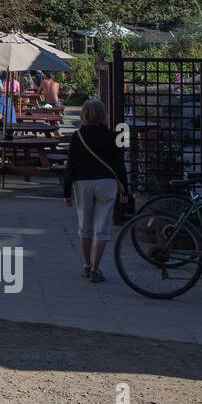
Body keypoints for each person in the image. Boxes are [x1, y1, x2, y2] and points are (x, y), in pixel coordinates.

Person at [63, 98, 129, 282]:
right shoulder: (112, 136)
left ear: (83, 114)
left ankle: (85, 264)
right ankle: (95, 267)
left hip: (83, 182)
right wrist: (125, 190)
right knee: (102, 228)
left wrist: (66, 192)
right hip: (106, 183)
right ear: (103, 115)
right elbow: (119, 165)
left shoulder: (78, 136)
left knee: (85, 226)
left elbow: (71, 166)